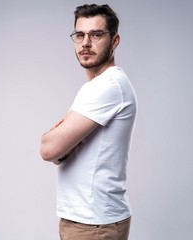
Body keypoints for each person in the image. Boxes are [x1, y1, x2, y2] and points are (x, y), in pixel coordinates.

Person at [40, 4, 137, 240]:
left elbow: (48, 148)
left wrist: (58, 139)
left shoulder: (108, 86)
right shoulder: (95, 87)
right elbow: (57, 151)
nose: (85, 43)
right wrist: (60, 145)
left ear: (115, 41)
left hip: (93, 225)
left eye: (96, 35)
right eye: (79, 35)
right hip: (87, 220)